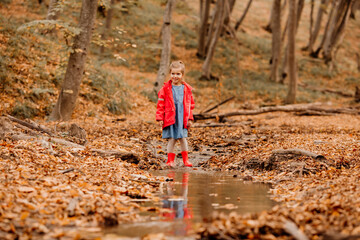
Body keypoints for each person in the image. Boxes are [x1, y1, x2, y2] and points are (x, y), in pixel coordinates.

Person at [156, 60, 195, 167]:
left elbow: (190, 105)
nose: (175, 76)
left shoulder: (186, 89)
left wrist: (190, 118)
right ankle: (170, 160)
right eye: (173, 73)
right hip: (170, 117)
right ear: (170, 74)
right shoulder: (165, 89)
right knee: (172, 139)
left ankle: (185, 160)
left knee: (183, 138)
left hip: (182, 118)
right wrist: (160, 118)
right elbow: (160, 104)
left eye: (178, 74)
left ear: (182, 75)